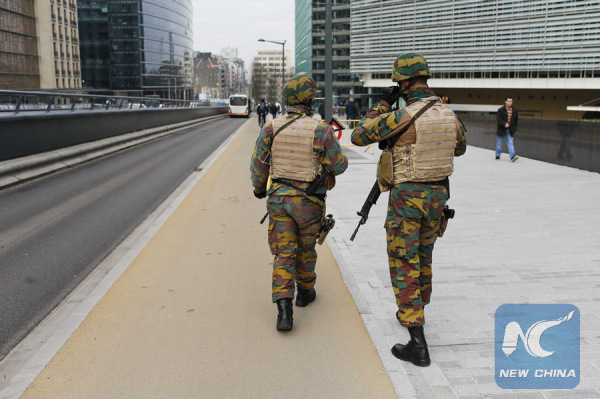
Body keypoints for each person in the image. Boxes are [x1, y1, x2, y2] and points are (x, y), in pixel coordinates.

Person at [351, 53, 467, 367]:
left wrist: (382, 105)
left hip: (408, 199)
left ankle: (417, 344)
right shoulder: (448, 113)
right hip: (438, 197)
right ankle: (416, 310)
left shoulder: (403, 116)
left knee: (404, 260)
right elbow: (461, 146)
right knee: (424, 256)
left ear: (403, 82)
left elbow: (359, 134)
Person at [250, 74, 348, 332]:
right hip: (309, 202)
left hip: (279, 202)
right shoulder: (321, 129)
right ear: (308, 100)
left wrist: (260, 189)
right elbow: (340, 165)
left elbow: (258, 164)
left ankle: (284, 310)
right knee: (306, 249)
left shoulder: (271, 128)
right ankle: (304, 293)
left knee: (284, 253)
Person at [496, 96, 519, 161]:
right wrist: (504, 124)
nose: (510, 103)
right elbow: (498, 119)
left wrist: (514, 129)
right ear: (505, 101)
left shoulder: (515, 111)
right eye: (508, 101)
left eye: (511, 101)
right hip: (502, 129)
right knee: (499, 144)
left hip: (510, 129)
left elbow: (516, 121)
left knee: (511, 143)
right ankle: (497, 155)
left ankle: (512, 156)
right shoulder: (501, 110)